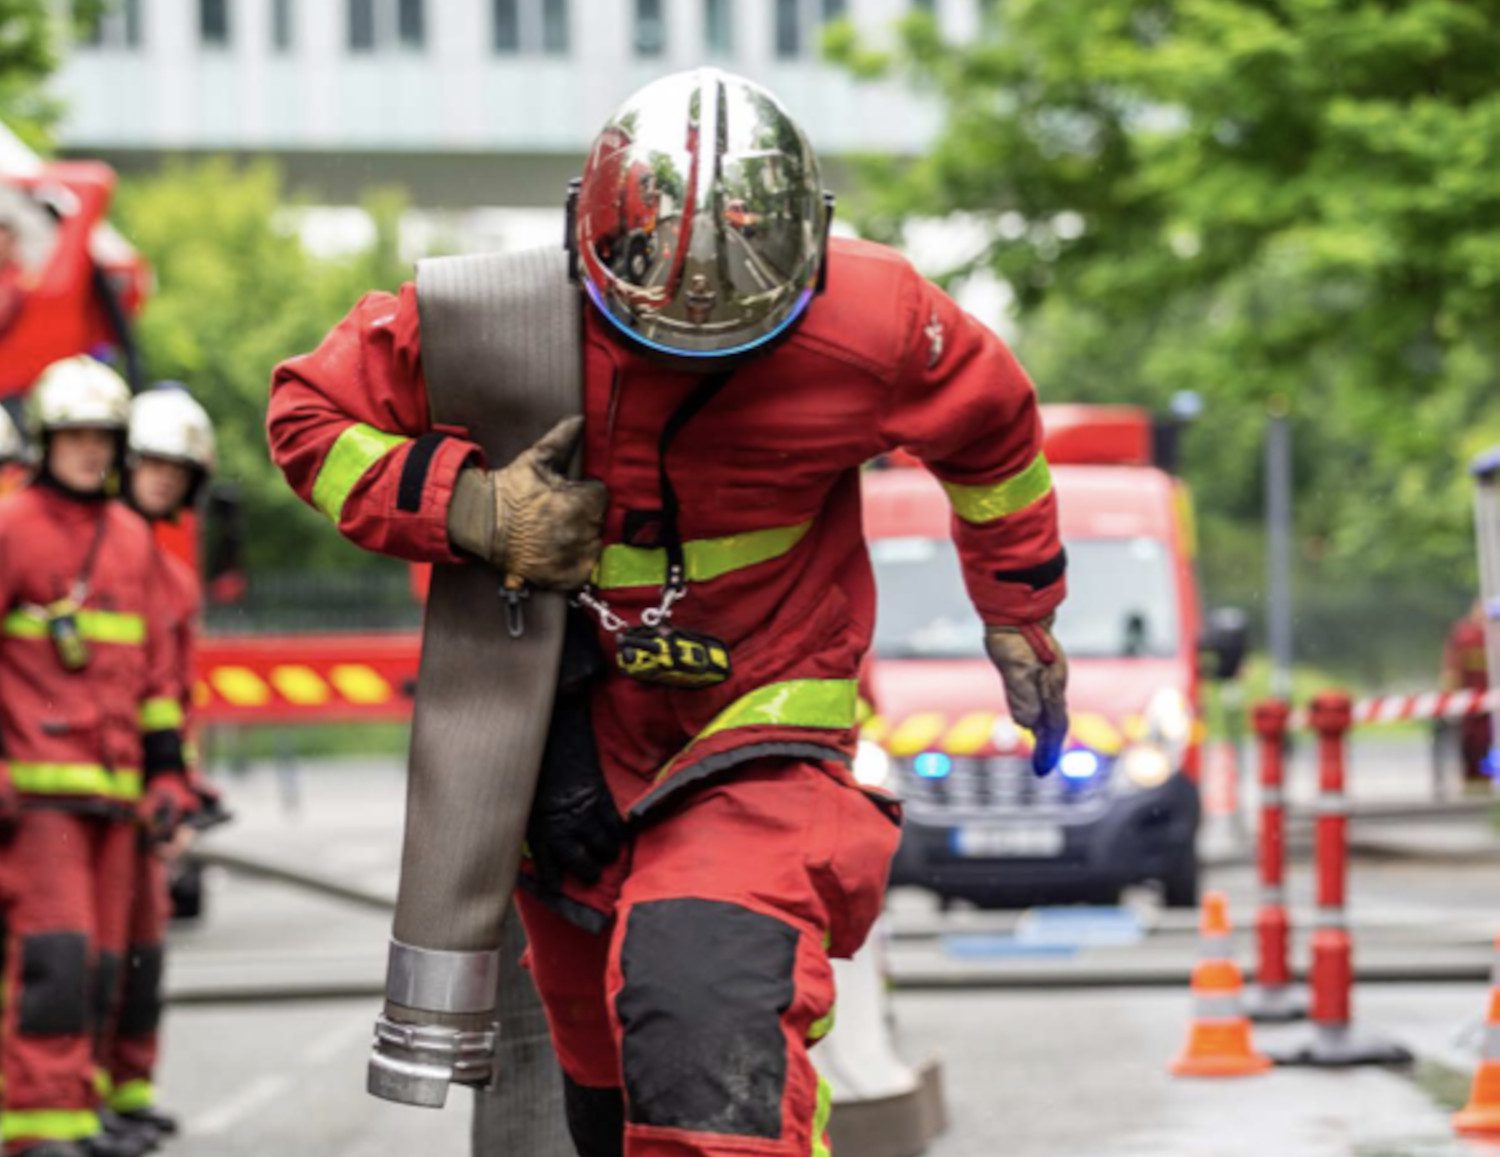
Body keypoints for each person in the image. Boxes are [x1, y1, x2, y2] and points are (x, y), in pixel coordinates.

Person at [268, 69, 1070, 1156]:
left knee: (703, 998)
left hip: (764, 709)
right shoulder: (493, 318)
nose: (692, 336)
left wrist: (1018, 609)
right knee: (602, 1064)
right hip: (566, 730)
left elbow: (992, 435)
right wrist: (472, 508)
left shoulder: (880, 322)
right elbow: (309, 413)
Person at [0, 357, 195, 1157]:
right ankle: (38, 1125)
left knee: (109, 964)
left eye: (100, 438)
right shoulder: (12, 528)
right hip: (38, 802)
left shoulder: (129, 540)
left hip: (116, 799)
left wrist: (168, 775)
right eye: (72, 437)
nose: (87, 451)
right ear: (47, 441)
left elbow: (155, 678)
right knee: (57, 958)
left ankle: (80, 1113)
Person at [92, 385, 218, 1146]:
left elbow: (167, 696)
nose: (162, 481)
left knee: (139, 953)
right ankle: (75, 1101)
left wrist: (179, 783)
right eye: (150, 465)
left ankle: (126, 1090)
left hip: (147, 796)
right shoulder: (90, 552)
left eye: (177, 471)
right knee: (82, 957)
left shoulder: (170, 575)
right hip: (85, 788)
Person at [1442, 600, 1492, 782]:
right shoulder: (1463, 634)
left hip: (1491, 698)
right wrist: (1451, 697)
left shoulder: (1493, 633)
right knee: (1473, 742)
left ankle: (1490, 774)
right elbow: (1452, 669)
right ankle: (1477, 776)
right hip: (1471, 702)